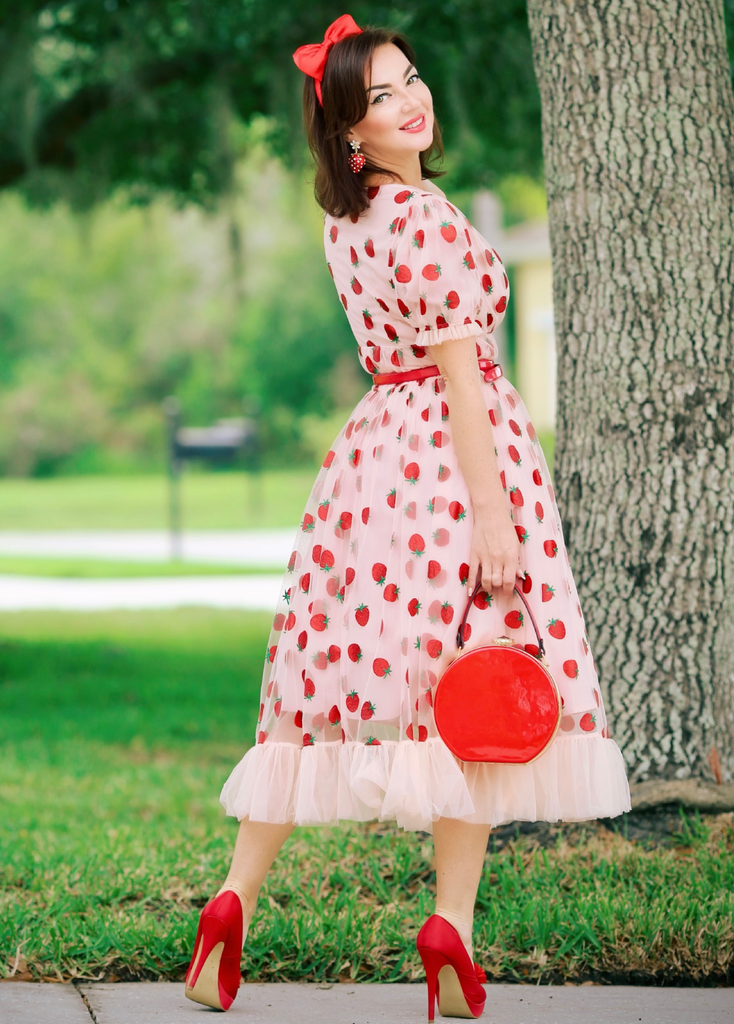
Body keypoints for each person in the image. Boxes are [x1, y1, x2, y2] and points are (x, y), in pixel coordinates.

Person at [184, 13, 632, 1019]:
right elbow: (462, 379)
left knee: (324, 691)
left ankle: (230, 900)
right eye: (382, 96)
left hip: (374, 459)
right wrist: (492, 514)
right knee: (466, 690)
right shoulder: (422, 219)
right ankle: (452, 928)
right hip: (448, 458)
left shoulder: (355, 218)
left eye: (410, 79)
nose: (411, 100)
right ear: (350, 131)